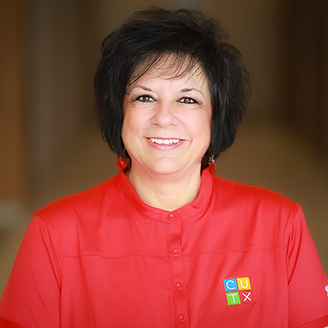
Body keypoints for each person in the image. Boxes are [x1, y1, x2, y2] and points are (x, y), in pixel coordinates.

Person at [0, 7, 327, 328]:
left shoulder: (281, 223)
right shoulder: (53, 233)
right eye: (144, 97)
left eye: (188, 99)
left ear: (216, 118)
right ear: (119, 114)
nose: (164, 117)